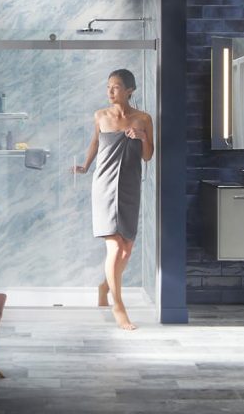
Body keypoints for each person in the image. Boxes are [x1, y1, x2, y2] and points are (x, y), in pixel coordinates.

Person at [74, 69, 153, 330]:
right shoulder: (100, 116)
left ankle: (103, 287)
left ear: (129, 90)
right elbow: (95, 144)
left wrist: (141, 137)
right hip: (104, 185)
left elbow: (148, 156)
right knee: (115, 247)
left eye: (116, 87)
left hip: (130, 185)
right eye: (108, 86)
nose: (110, 91)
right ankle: (118, 307)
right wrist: (85, 166)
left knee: (127, 246)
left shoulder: (143, 119)